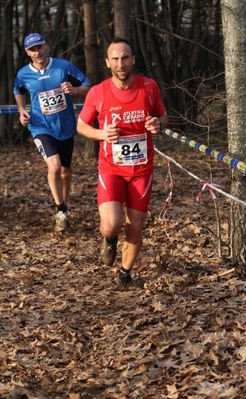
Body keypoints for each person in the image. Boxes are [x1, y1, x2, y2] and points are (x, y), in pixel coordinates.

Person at [77, 37, 168, 289]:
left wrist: (158, 124)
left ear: (133, 60)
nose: (121, 63)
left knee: (135, 227)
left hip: (141, 170)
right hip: (111, 169)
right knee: (112, 224)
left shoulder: (149, 87)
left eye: (125, 57)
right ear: (107, 62)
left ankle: (125, 273)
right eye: (115, 58)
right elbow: (81, 125)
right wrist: (101, 134)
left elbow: (163, 115)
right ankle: (109, 239)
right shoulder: (98, 92)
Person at [13, 33, 90, 232]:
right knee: (54, 167)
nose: (37, 52)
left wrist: (74, 90)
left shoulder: (63, 66)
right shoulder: (23, 74)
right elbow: (18, 90)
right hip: (40, 127)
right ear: (27, 52)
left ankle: (64, 207)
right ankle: (60, 210)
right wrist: (22, 110)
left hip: (65, 127)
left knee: (65, 172)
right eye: (32, 49)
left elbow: (88, 87)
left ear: (45, 46)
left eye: (39, 47)